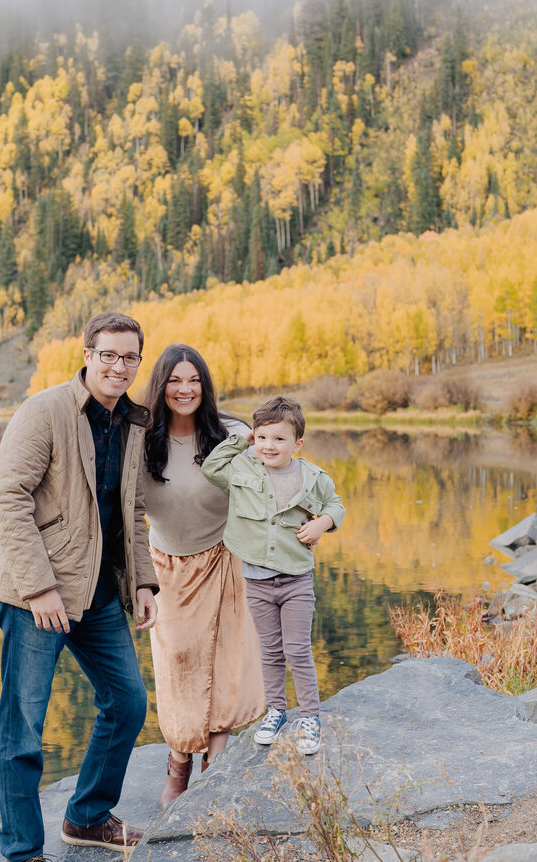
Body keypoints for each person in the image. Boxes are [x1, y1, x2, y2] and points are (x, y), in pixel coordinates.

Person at [0, 312, 159, 862]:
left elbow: (132, 509)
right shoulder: (45, 410)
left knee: (128, 703)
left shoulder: (134, 421)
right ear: (87, 354)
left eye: (129, 356)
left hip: (100, 593)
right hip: (36, 596)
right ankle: (21, 851)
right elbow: (7, 498)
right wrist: (39, 589)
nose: (118, 365)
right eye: (107, 354)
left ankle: (87, 817)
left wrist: (144, 583)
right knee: (24, 733)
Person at [142, 344, 265, 809]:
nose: (185, 389)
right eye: (175, 380)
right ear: (161, 387)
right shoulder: (143, 438)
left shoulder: (231, 434)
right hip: (167, 567)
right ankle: (179, 764)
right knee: (179, 666)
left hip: (227, 559)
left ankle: (216, 768)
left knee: (227, 663)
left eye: (193, 380)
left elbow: (276, 479)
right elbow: (126, 511)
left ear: (205, 386)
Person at [201, 395, 345, 756]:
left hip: (296, 577)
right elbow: (211, 468)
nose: (269, 446)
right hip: (257, 579)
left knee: (297, 649)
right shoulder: (243, 467)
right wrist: (242, 439)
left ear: (297, 443)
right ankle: (276, 711)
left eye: (279, 439)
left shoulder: (312, 476)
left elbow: (335, 504)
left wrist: (323, 525)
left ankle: (310, 716)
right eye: (263, 437)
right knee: (269, 649)